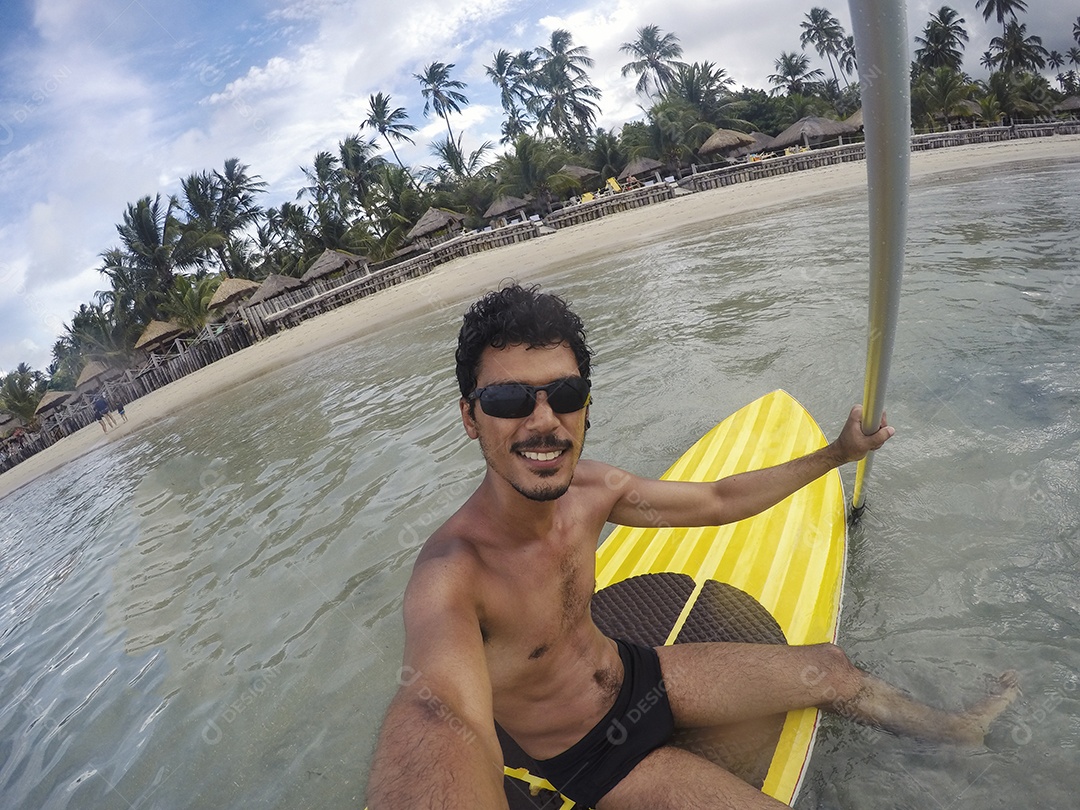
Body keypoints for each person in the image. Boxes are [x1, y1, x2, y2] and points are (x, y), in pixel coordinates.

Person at [367, 285, 1019, 809]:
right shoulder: (452, 576)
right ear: (469, 416)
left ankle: (956, 730)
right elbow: (437, 713)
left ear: (586, 407)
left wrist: (837, 455)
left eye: (564, 394)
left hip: (638, 677)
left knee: (833, 669)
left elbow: (718, 501)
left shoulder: (591, 490)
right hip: (586, 762)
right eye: (509, 398)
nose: (543, 420)